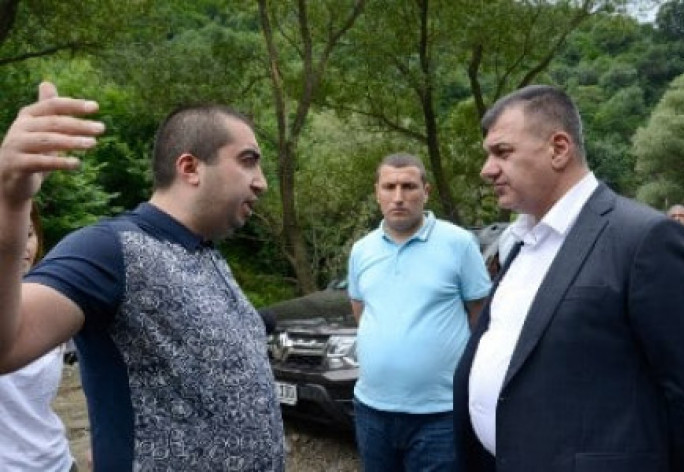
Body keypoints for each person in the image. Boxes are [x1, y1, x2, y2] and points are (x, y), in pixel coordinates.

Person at [0, 82, 285, 471]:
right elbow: (8, 345)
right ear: (190, 168)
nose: (261, 182)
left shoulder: (206, 251)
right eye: (248, 161)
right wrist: (11, 201)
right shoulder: (109, 248)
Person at [452, 85, 684, 472]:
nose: (486, 169)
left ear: (559, 149)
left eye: (502, 152)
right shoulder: (521, 241)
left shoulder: (646, 239)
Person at [348, 152, 491, 471]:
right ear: (377, 193)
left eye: (409, 186)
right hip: (372, 411)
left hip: (440, 414)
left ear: (426, 191)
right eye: (389, 187)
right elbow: (362, 312)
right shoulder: (361, 250)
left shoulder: (459, 243)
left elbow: (480, 317)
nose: (398, 197)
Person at [0, 202, 76, 472]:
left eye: (29, 234)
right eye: (8, 236)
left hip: (58, 462)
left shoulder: (52, 301)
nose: (22, 246)